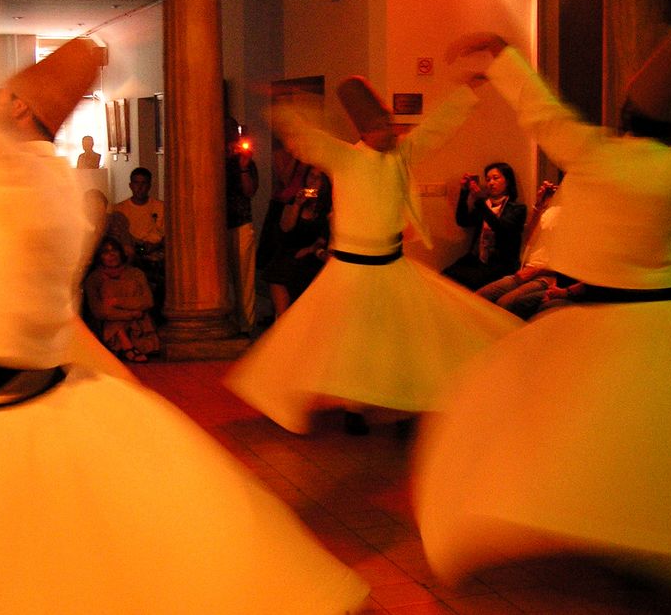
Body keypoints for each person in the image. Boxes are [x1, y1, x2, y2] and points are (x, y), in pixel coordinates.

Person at [0, 38, 369, 615]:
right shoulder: (4, 175)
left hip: (6, 390)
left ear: (23, 110)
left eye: (3, 95)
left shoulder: (40, 178)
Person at [415, 28, 671, 604]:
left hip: (596, 321)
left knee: (557, 426)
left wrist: (502, 54)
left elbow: (539, 110)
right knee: (653, 439)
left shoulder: (593, 151)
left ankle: (604, 525)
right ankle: (642, 533)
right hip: (664, 326)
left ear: (628, 108)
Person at [224, 61, 523, 436]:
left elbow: (436, 128)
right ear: (367, 130)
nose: (392, 130)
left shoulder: (400, 155)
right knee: (346, 344)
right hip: (350, 271)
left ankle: (404, 405)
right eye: (384, 125)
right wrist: (284, 104)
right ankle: (354, 406)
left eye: (390, 123)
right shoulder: (345, 157)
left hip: (392, 267)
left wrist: (467, 91)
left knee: (404, 341)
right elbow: (307, 138)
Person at [474, 180, 562, 319]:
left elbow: (571, 262)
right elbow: (530, 240)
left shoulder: (577, 218)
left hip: (547, 276)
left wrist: (536, 271)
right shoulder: (552, 211)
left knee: (504, 304)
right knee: (479, 296)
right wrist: (540, 205)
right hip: (528, 269)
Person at [442, 162, 527, 290]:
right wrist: (464, 192)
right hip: (476, 259)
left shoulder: (517, 208)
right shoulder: (485, 205)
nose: (491, 183)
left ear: (508, 181)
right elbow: (463, 221)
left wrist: (479, 200)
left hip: (500, 264)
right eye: (488, 179)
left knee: (470, 284)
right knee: (445, 277)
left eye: (496, 178)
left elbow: (501, 229)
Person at [261, 167, 332, 318]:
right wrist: (297, 205)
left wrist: (311, 250)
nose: (312, 181)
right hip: (287, 256)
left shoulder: (326, 209)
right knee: (283, 313)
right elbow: (286, 228)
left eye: (318, 178)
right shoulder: (295, 201)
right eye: (310, 176)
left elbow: (323, 238)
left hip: (311, 258)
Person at [84, 235, 160, 362]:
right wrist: (131, 314)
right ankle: (125, 343)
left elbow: (148, 301)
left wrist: (117, 301)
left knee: (114, 311)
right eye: (106, 252)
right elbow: (99, 311)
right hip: (118, 321)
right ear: (99, 256)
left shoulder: (136, 274)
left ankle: (125, 343)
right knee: (108, 288)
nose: (111, 255)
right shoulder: (94, 279)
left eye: (114, 250)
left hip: (138, 326)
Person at [111, 167, 165, 318]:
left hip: (156, 254)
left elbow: (167, 234)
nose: (140, 187)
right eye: (136, 183)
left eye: (144, 183)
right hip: (130, 255)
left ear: (149, 185)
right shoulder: (120, 209)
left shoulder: (160, 207)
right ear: (130, 185)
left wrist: (155, 245)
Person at [225, 118, 259, 334]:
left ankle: (246, 325)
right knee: (222, 279)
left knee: (244, 277)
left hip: (240, 222)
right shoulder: (212, 159)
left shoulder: (244, 162)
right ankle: (228, 322)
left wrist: (244, 167)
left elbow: (249, 192)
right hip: (216, 225)